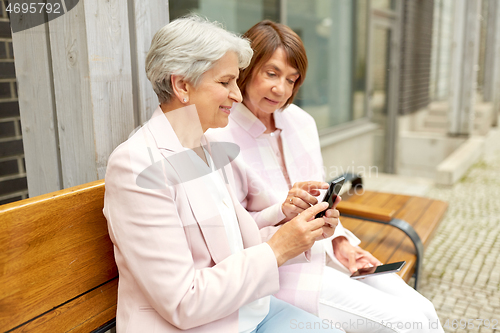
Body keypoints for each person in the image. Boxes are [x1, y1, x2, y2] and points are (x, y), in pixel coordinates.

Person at [103, 16, 345, 333]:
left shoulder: (207, 144)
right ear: (182, 85)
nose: (238, 95)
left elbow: (235, 243)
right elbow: (183, 302)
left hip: (248, 311)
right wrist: (278, 249)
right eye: (225, 82)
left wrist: (300, 230)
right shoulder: (136, 166)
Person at [207, 20, 444, 333]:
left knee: (424, 312)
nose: (282, 89)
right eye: (272, 73)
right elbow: (231, 234)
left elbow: (323, 199)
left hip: (328, 251)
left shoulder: (300, 122)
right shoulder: (219, 135)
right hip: (284, 270)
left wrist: (343, 243)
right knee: (406, 324)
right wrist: (281, 211)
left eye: (292, 79)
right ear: (246, 69)